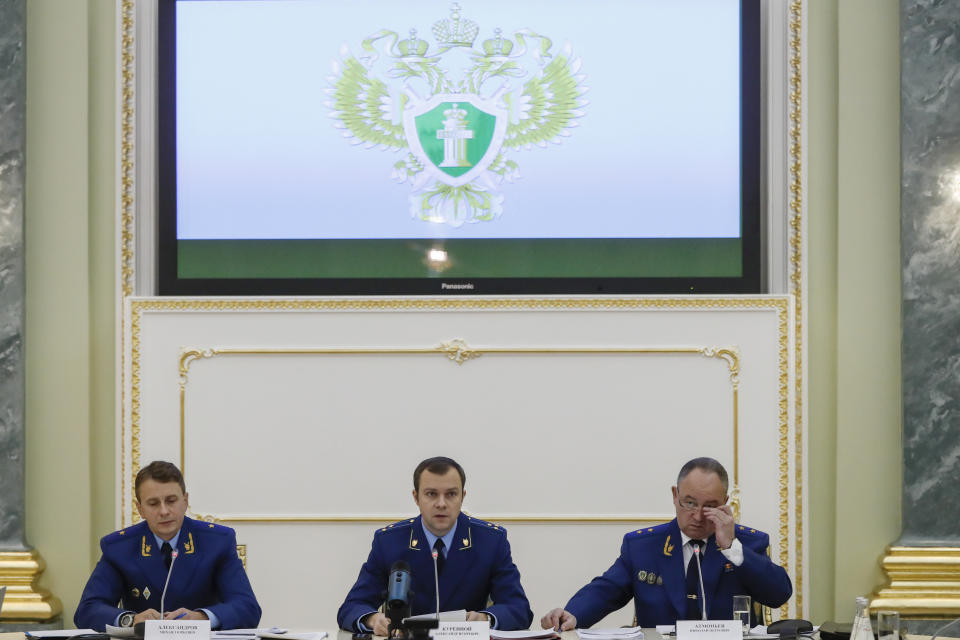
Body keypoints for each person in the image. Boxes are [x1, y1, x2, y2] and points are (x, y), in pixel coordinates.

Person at [541, 457, 792, 630]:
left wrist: (731, 548)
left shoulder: (748, 542)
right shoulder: (643, 545)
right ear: (675, 496)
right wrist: (573, 614)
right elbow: (605, 590)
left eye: (710, 506)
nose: (697, 515)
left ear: (726, 502)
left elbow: (779, 594)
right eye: (689, 503)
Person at [338, 456, 534, 633]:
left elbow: (518, 608)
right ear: (416, 497)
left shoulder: (490, 541)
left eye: (451, 494)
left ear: (462, 497)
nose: (441, 504)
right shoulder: (389, 542)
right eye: (431, 494)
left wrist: (486, 618)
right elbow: (352, 607)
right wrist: (372, 619)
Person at [74, 461, 262, 631]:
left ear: (185, 501)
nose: (164, 511)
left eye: (171, 501)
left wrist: (202, 617)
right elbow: (87, 610)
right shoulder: (119, 548)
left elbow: (247, 607)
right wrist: (130, 620)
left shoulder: (217, 541)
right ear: (140, 509)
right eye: (153, 504)